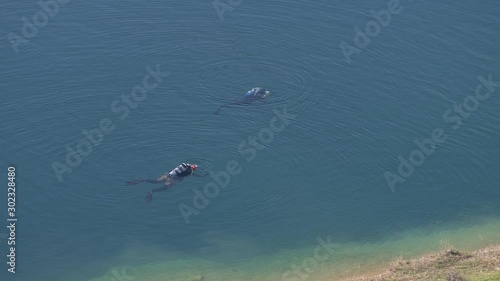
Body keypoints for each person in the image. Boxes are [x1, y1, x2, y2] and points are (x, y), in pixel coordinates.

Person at [125, 163, 206, 202]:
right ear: (194, 168)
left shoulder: (185, 165)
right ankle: (151, 192)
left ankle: (141, 180)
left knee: (155, 181)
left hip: (167, 175)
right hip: (172, 180)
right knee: (165, 188)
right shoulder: (190, 171)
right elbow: (193, 175)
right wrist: (203, 176)